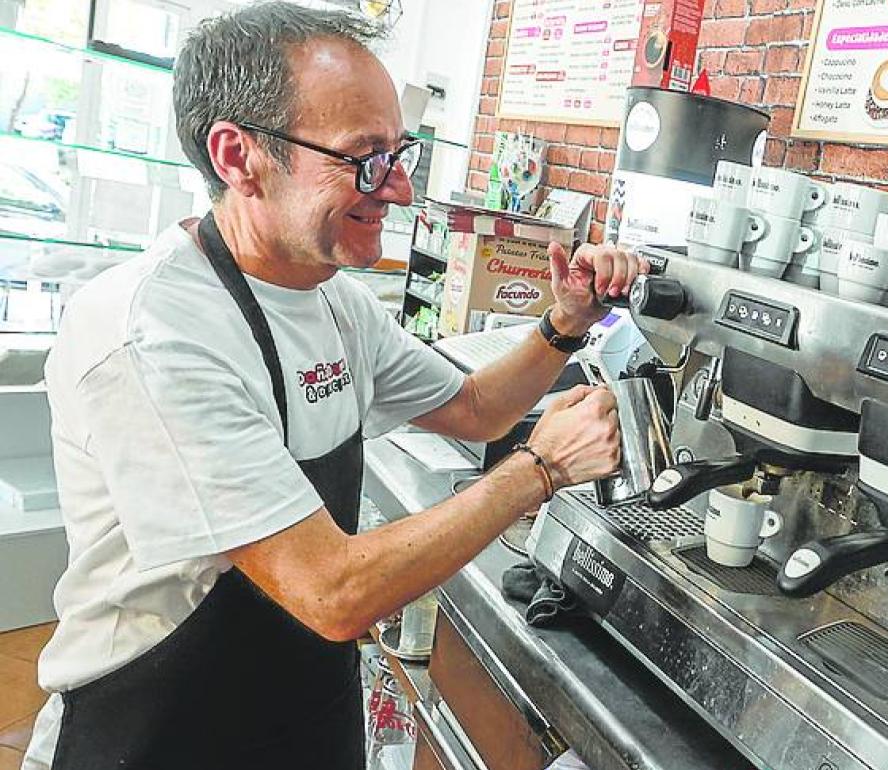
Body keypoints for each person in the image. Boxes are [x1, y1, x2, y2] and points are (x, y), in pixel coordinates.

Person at [22, 3, 646, 769]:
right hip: (154, 731)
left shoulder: (333, 301)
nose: (401, 191)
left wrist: (564, 324)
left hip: (303, 712)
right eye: (365, 158)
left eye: (400, 154)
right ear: (238, 156)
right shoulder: (155, 333)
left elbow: (479, 410)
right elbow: (332, 592)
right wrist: (540, 471)